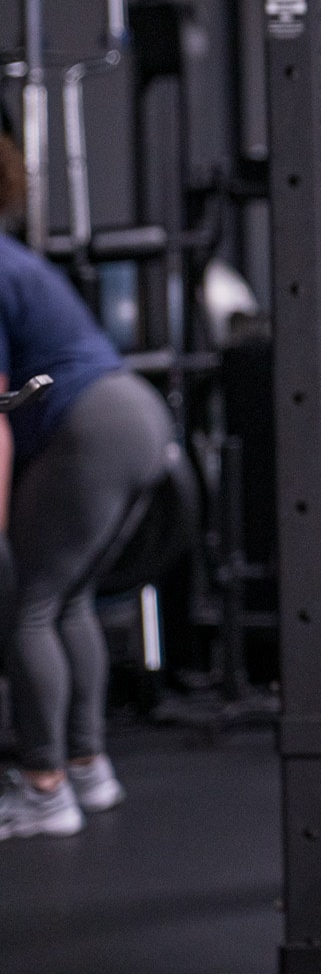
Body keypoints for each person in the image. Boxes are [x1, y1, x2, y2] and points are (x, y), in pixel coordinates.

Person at [0, 134, 173, 840]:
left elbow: (0, 416)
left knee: (25, 606)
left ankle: (45, 788)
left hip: (94, 425)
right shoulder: (14, 257)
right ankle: (87, 764)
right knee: (67, 598)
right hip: (138, 414)